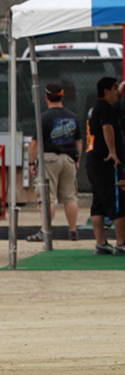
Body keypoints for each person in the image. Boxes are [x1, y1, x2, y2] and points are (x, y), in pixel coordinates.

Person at [28, 83, 82, 242]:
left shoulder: (43, 117)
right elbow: (79, 140)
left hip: (49, 159)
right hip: (68, 159)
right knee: (70, 197)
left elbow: (35, 143)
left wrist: (32, 162)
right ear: (62, 96)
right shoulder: (72, 116)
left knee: (47, 197)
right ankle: (73, 230)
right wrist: (76, 158)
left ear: (46, 97)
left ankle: (45, 231)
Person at [85, 77, 125, 255]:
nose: (118, 92)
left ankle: (101, 243)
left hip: (92, 160)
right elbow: (107, 128)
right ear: (107, 91)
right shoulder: (106, 108)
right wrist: (113, 152)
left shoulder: (94, 108)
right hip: (107, 161)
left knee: (98, 202)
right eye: (115, 89)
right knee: (118, 201)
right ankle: (121, 243)